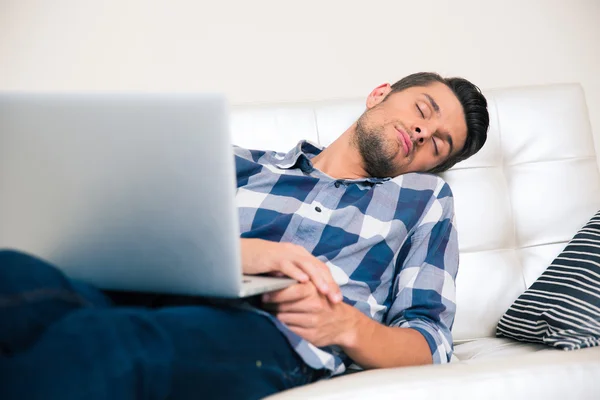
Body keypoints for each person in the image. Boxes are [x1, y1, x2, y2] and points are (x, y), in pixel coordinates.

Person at [0, 72, 489, 399]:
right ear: (380, 93)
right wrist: (243, 254)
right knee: (12, 274)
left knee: (104, 346)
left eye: (439, 144)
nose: (424, 133)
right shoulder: (237, 162)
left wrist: (347, 327)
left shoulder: (425, 201)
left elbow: (430, 340)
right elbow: (133, 241)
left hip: (273, 335)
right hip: (151, 295)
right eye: (423, 110)